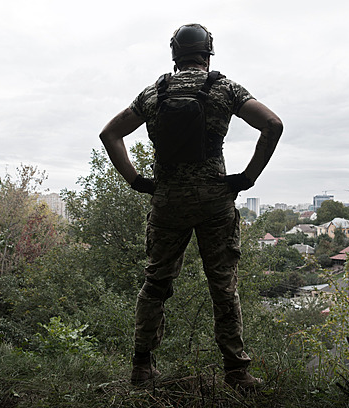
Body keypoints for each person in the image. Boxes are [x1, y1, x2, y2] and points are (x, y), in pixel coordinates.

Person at [99, 23, 283, 389]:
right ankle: (237, 372)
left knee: (155, 284)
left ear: (174, 54)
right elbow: (273, 124)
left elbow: (110, 134)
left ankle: (141, 368)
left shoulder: (155, 93)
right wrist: (247, 178)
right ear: (208, 52)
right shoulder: (224, 88)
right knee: (223, 286)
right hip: (215, 200)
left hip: (167, 202)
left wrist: (137, 182)